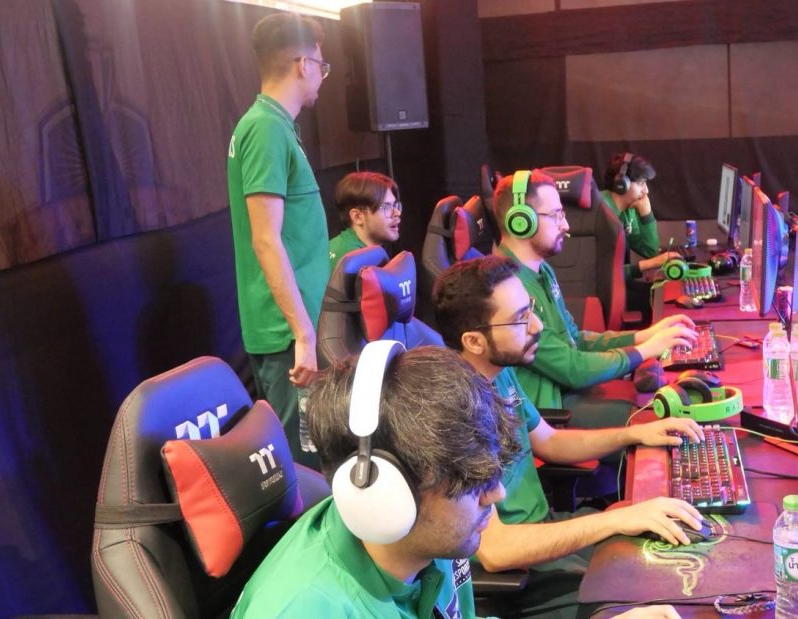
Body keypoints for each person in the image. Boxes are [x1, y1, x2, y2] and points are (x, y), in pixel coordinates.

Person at [432, 256, 708, 617]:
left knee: (677, 557)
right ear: (474, 341)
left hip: (545, 534)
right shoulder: (456, 414)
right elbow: (496, 551)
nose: (537, 326)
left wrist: (636, 434)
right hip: (521, 579)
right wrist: (612, 521)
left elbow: (550, 441)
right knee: (666, 592)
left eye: (530, 309)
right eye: (520, 319)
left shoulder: (498, 372)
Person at [232, 345, 519, 617]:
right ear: (384, 492)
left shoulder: (436, 540)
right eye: (470, 483)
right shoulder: (304, 610)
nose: (497, 494)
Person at [492, 169, 698, 425]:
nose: (566, 226)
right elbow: (572, 369)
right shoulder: (508, 289)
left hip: (566, 393)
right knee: (657, 420)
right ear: (521, 220)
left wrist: (645, 335)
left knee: (665, 407)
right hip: (547, 415)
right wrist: (644, 350)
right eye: (556, 216)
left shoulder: (540, 270)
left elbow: (575, 340)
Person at [227, 13, 330, 466]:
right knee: (309, 467)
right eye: (322, 65)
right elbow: (265, 239)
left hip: (296, 329)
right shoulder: (265, 127)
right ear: (303, 64)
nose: (322, 76)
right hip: (288, 335)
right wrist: (303, 334)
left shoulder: (276, 126)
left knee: (320, 457)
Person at [600, 152, 681, 319]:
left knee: (664, 292)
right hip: (604, 291)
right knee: (660, 301)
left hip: (620, 284)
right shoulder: (601, 214)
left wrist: (646, 214)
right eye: (641, 183)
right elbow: (603, 273)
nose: (646, 190)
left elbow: (650, 250)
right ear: (621, 183)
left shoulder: (628, 210)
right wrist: (652, 263)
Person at [328, 171, 403, 270]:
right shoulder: (359, 262)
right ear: (357, 217)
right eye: (386, 207)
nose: (397, 213)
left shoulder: (339, 245)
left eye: (395, 205)